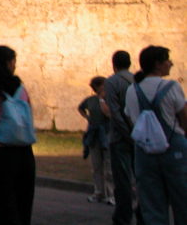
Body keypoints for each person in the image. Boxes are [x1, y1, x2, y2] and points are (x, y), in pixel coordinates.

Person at [124, 46, 187, 225]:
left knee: (152, 205)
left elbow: (131, 121)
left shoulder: (132, 90)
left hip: (144, 151)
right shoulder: (171, 86)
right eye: (167, 59)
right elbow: (184, 117)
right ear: (158, 64)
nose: (171, 63)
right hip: (174, 148)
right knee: (182, 200)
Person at [0, 46, 36, 225]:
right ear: (9, 63)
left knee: (4, 206)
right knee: (23, 205)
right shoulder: (21, 87)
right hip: (24, 150)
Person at [103, 50, 143, 225]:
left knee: (122, 180)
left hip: (121, 137)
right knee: (141, 177)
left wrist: (127, 134)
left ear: (114, 64)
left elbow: (115, 111)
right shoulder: (136, 81)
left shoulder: (112, 82)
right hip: (138, 134)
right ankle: (142, 211)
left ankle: (123, 215)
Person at [78, 76, 114, 205]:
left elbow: (108, 113)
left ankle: (111, 194)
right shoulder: (90, 100)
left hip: (106, 133)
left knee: (109, 166)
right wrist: (87, 117)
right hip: (94, 134)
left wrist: (102, 99)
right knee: (96, 165)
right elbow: (81, 108)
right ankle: (98, 191)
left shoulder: (108, 100)